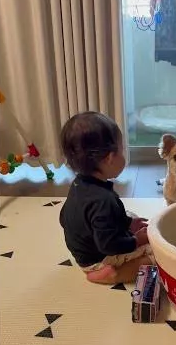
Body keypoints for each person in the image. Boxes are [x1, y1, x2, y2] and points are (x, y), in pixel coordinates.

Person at [59, 111, 153, 284]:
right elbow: (108, 245)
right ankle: (111, 274)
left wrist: (128, 223)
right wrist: (136, 241)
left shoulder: (79, 184)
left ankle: (103, 263)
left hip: (83, 251)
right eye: (122, 150)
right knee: (154, 255)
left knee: (127, 215)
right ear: (110, 158)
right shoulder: (103, 201)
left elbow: (64, 217)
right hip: (99, 258)